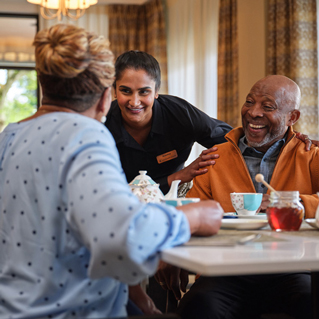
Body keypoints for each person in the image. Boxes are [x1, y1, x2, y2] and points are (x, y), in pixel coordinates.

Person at [0, 24, 225, 319]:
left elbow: (89, 230)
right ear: (108, 97)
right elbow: (124, 241)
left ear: (44, 86)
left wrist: (140, 299)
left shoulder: (9, 136)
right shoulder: (86, 136)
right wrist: (195, 217)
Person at [168, 75, 319, 319]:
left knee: (311, 300)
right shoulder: (215, 158)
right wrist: (172, 257)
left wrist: (299, 202)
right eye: (249, 102)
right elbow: (191, 213)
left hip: (291, 268)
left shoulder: (308, 155)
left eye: (267, 106)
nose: (253, 112)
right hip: (225, 269)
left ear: (292, 117)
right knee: (199, 306)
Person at [105, 50, 233, 195]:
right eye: (126, 91)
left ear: (156, 91)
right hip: (116, 199)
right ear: (114, 91)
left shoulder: (179, 114)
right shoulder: (101, 122)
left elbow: (231, 141)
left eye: (144, 92)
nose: (134, 102)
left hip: (176, 195)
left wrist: (206, 162)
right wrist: (178, 176)